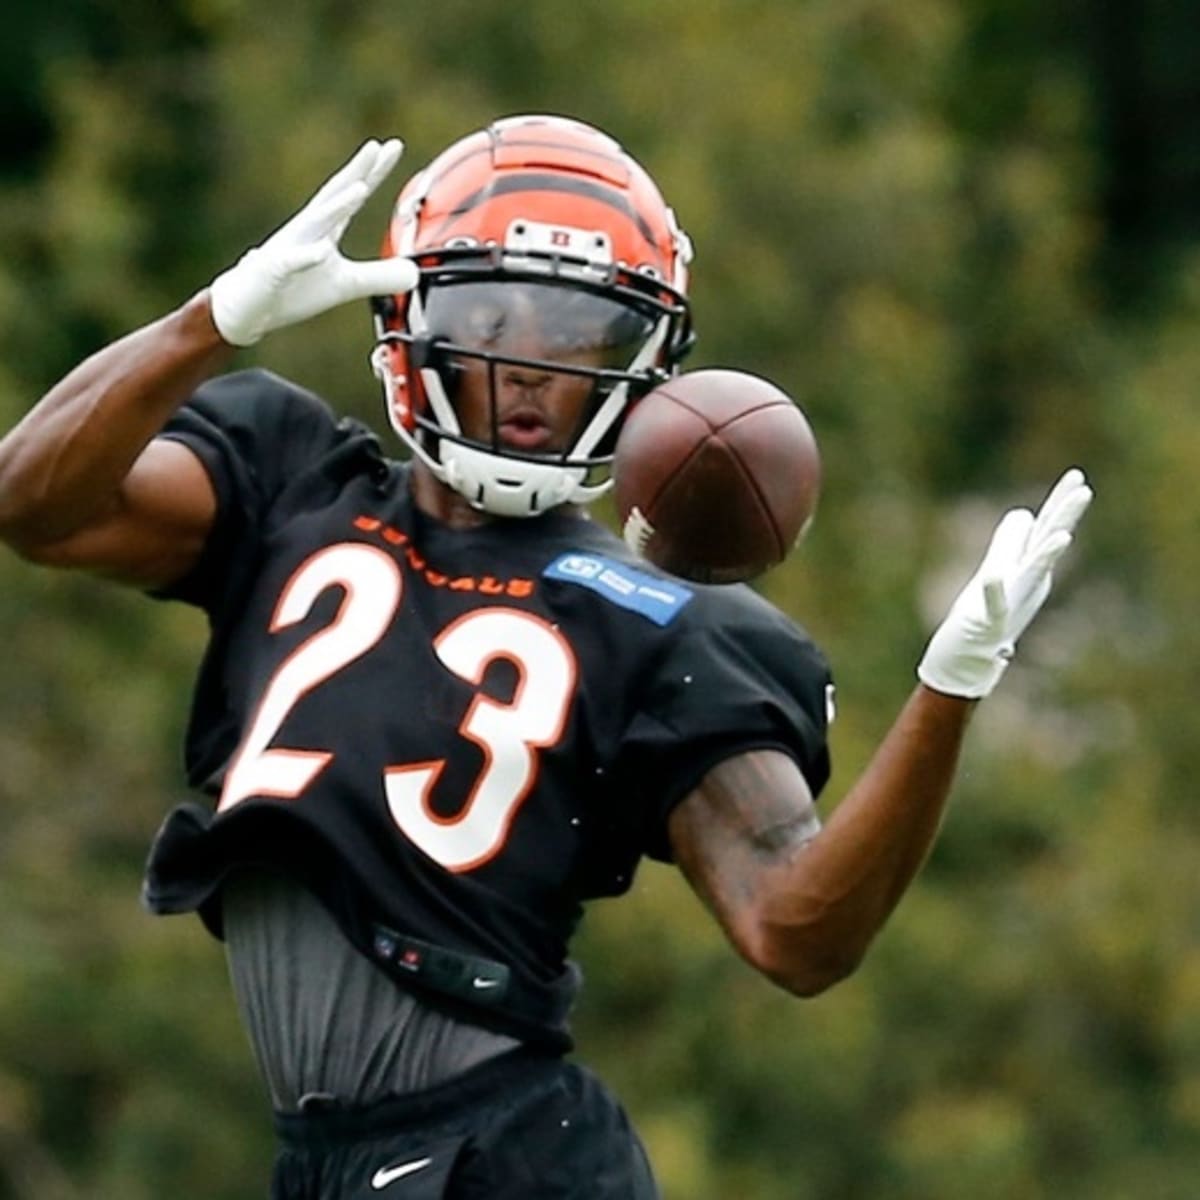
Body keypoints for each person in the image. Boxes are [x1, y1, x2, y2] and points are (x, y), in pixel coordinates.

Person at [0, 115, 1092, 1199]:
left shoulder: (661, 623)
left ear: (641, 363)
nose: (529, 365)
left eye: (577, 335)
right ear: (406, 319)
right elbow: (34, 505)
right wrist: (214, 319)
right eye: (493, 317)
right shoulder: (291, 481)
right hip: (333, 1162)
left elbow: (797, 932)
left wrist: (950, 689)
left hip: (505, 1156)